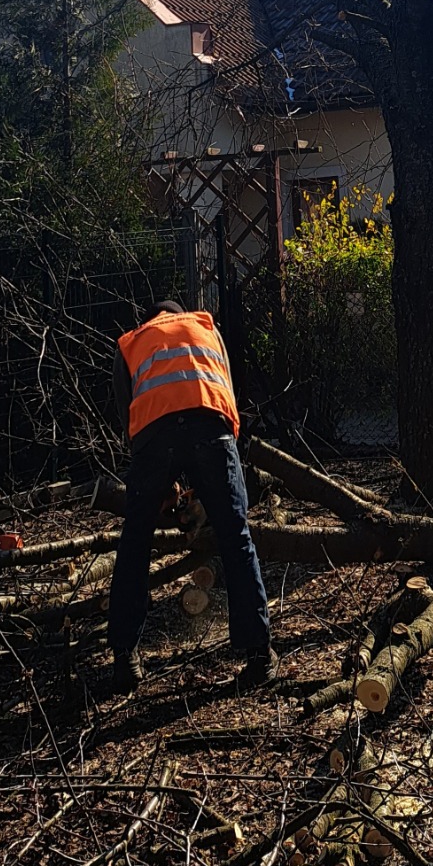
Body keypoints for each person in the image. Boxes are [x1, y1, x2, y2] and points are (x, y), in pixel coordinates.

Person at [106, 296, 277, 691]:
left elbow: (132, 424)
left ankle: (124, 659)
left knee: (134, 542)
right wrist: (209, 489)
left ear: (151, 318)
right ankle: (259, 656)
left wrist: (160, 489)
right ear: (177, 312)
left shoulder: (131, 343)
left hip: (155, 438)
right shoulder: (207, 328)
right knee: (236, 536)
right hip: (212, 428)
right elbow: (225, 400)